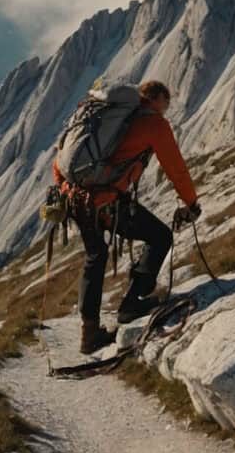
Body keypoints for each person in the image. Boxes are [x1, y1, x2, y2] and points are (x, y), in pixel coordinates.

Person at [52, 80, 201, 354]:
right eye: (164, 106)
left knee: (95, 256)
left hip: (75, 197)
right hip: (106, 201)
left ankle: (89, 333)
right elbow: (175, 168)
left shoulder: (99, 116)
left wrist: (65, 187)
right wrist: (191, 202)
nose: (165, 112)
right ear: (156, 99)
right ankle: (132, 303)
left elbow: (61, 157)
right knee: (159, 236)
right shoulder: (153, 123)